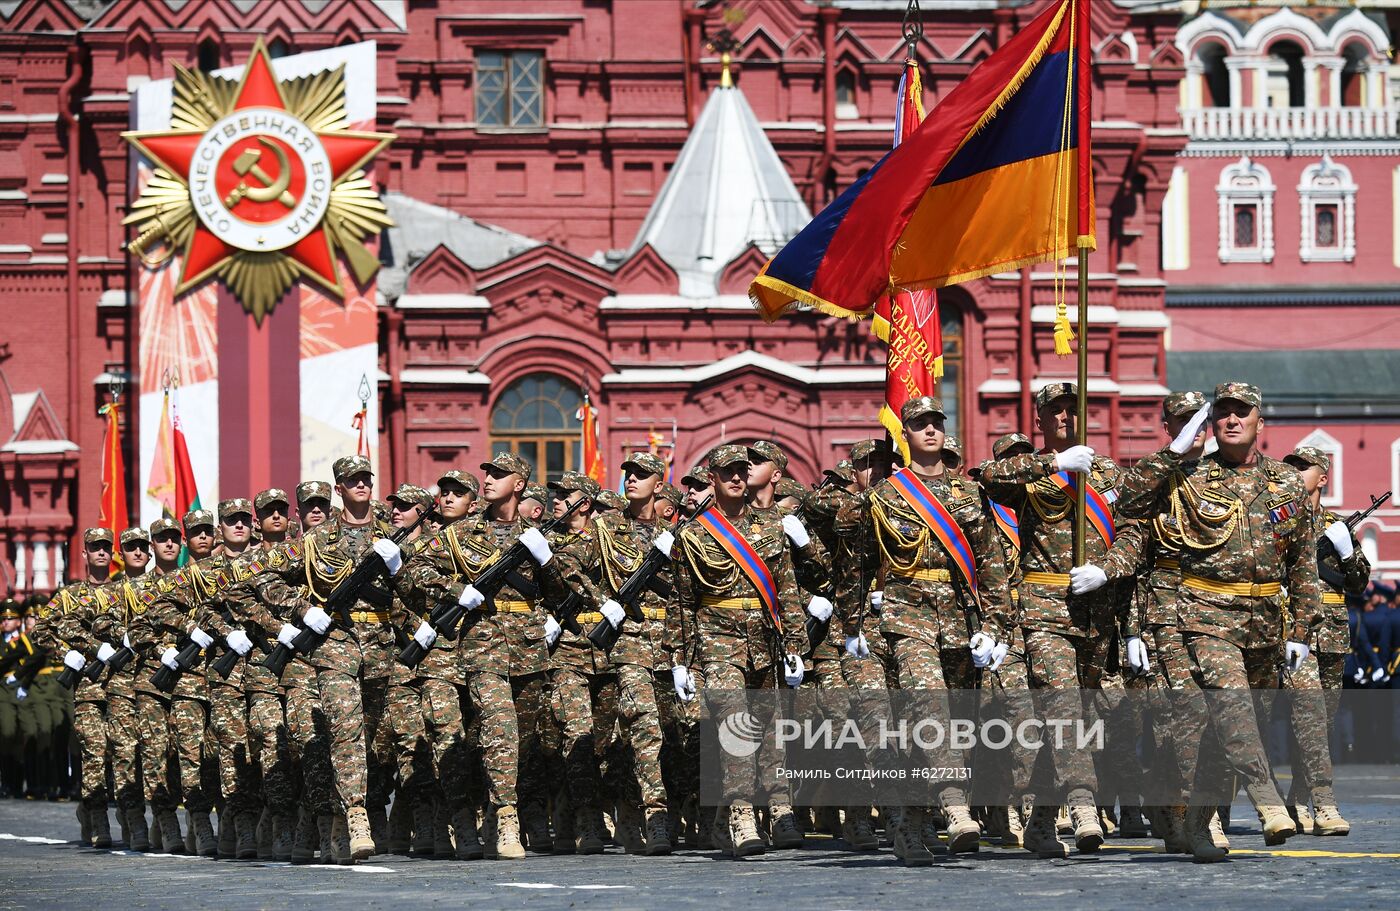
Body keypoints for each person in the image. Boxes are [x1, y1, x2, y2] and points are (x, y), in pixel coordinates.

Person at [1115, 382, 1310, 861]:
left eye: (1242, 412)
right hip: (1205, 615)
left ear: (1260, 422)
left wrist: (1301, 631)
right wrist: (1171, 451)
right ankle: (1267, 801)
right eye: (1221, 413)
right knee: (1231, 707)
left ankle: (1201, 824)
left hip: (1263, 622)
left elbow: (1303, 562)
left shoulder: (1286, 483)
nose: (1231, 420)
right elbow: (1127, 502)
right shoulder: (1189, 478)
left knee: (1235, 730)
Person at [837, 398, 1011, 865]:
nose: (930, 431)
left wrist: (994, 626)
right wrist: (853, 623)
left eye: (937, 423)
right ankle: (955, 805)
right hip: (904, 612)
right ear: (905, 436)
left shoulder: (968, 494)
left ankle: (910, 825)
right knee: (927, 702)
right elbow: (859, 564)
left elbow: (991, 563)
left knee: (951, 723)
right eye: (920, 425)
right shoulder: (886, 495)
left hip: (959, 616)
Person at [980, 382, 1143, 857]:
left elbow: (1134, 535)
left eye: (1074, 409)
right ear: (1040, 421)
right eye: (1056, 411)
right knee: (1063, 708)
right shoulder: (1031, 472)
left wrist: (1106, 569)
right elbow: (987, 477)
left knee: (1076, 718)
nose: (1066, 417)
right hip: (1044, 608)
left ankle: (1041, 821)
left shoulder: (1110, 473)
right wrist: (1054, 463)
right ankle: (1083, 804)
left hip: (1096, 614)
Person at [398, 452, 567, 860]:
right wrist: (457, 591)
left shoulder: (541, 535)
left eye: (499, 474)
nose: (488, 479)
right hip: (482, 645)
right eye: (487, 473)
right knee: (499, 728)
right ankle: (506, 818)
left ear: (521, 484)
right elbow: (413, 571)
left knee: (520, 742)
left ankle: (487, 811)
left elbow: (564, 594)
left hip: (529, 649)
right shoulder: (461, 532)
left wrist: (546, 560)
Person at [669, 444, 807, 858]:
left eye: (741, 471)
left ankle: (779, 809)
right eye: (727, 471)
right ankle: (741, 814)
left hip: (764, 640)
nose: (735, 478)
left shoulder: (769, 528)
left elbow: (786, 590)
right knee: (735, 728)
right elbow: (682, 602)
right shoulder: (693, 534)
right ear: (712, 476)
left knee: (768, 730)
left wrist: (796, 645)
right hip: (717, 641)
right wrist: (680, 659)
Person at [559, 454, 677, 855]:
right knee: (645, 728)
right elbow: (566, 563)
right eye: (628, 474)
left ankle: (629, 812)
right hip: (628, 643)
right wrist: (602, 599)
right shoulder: (605, 527)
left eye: (642, 475)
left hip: (669, 645)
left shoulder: (675, 533)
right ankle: (655, 816)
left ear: (659, 485)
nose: (632, 480)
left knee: (661, 736)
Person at [1280, 446, 1365, 836]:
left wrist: (1346, 551)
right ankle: (1325, 803)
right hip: (1293, 632)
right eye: (1290, 466)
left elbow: (1359, 584)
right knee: (1309, 716)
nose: (1296, 472)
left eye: (1304, 467)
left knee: (1321, 724)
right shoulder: (1277, 523)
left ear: (1323, 476)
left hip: (1333, 636)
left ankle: (1298, 798)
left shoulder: (1337, 526)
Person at [29, 527, 120, 846]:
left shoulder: (126, 591)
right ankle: (96, 817)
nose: (100, 553)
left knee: (120, 755)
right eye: (94, 547)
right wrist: (65, 652)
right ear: (84, 553)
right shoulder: (69, 596)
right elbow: (39, 631)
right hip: (88, 689)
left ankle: (121, 812)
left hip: (124, 687)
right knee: (94, 753)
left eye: (106, 547)